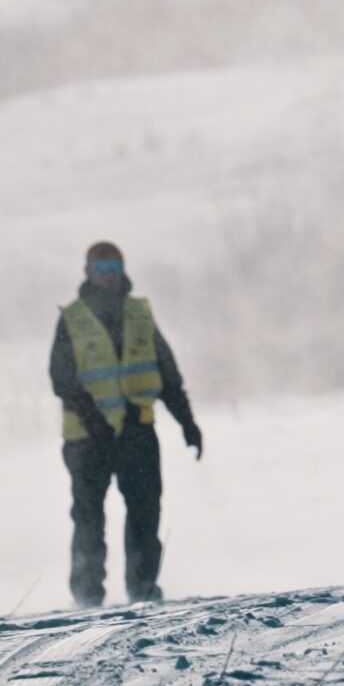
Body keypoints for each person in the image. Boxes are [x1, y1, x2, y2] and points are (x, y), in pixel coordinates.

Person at [49, 241, 204, 608]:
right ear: (87, 271)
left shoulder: (140, 314)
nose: (109, 275)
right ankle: (87, 597)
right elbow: (62, 379)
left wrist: (187, 422)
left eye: (115, 266)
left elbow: (167, 374)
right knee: (88, 519)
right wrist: (94, 417)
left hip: (137, 432)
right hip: (88, 439)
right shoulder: (73, 318)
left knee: (145, 512)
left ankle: (143, 590)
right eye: (101, 268)